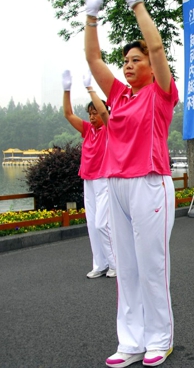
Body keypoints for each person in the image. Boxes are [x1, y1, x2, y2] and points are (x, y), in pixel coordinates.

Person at [84, 0, 179, 366]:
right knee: (127, 269)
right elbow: (93, 60)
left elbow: (155, 45)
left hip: (150, 183)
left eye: (134, 60)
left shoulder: (161, 92)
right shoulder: (120, 96)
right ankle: (131, 340)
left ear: (151, 67)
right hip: (116, 184)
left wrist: (137, 4)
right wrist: (91, 16)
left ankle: (160, 337)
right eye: (125, 61)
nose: (128, 65)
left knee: (151, 264)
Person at [61, 69, 116, 280]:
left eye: (95, 113)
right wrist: (67, 90)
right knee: (92, 225)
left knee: (103, 223)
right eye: (90, 114)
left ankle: (115, 263)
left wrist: (90, 88)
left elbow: (105, 114)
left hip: (104, 180)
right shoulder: (88, 130)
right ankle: (100, 264)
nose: (92, 117)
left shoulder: (110, 129)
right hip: (89, 181)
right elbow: (68, 114)